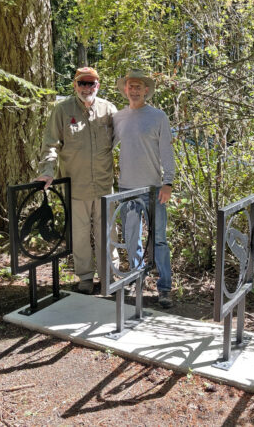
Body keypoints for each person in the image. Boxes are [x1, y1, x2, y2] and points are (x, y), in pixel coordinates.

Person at [36, 67, 117, 294]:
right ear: (75, 85)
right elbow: (51, 144)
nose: (86, 88)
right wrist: (48, 171)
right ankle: (85, 278)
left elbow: (125, 140)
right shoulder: (62, 111)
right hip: (75, 185)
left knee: (108, 233)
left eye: (91, 83)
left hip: (104, 186)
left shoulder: (109, 110)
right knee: (79, 235)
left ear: (98, 85)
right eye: (82, 83)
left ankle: (109, 277)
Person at [113, 69, 175, 308]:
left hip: (154, 189)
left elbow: (166, 152)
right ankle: (136, 279)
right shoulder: (118, 118)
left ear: (146, 90)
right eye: (131, 86)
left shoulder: (158, 117)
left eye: (139, 86)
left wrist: (168, 182)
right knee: (131, 238)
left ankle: (165, 288)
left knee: (159, 240)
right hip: (127, 189)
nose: (135, 90)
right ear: (125, 90)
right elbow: (105, 148)